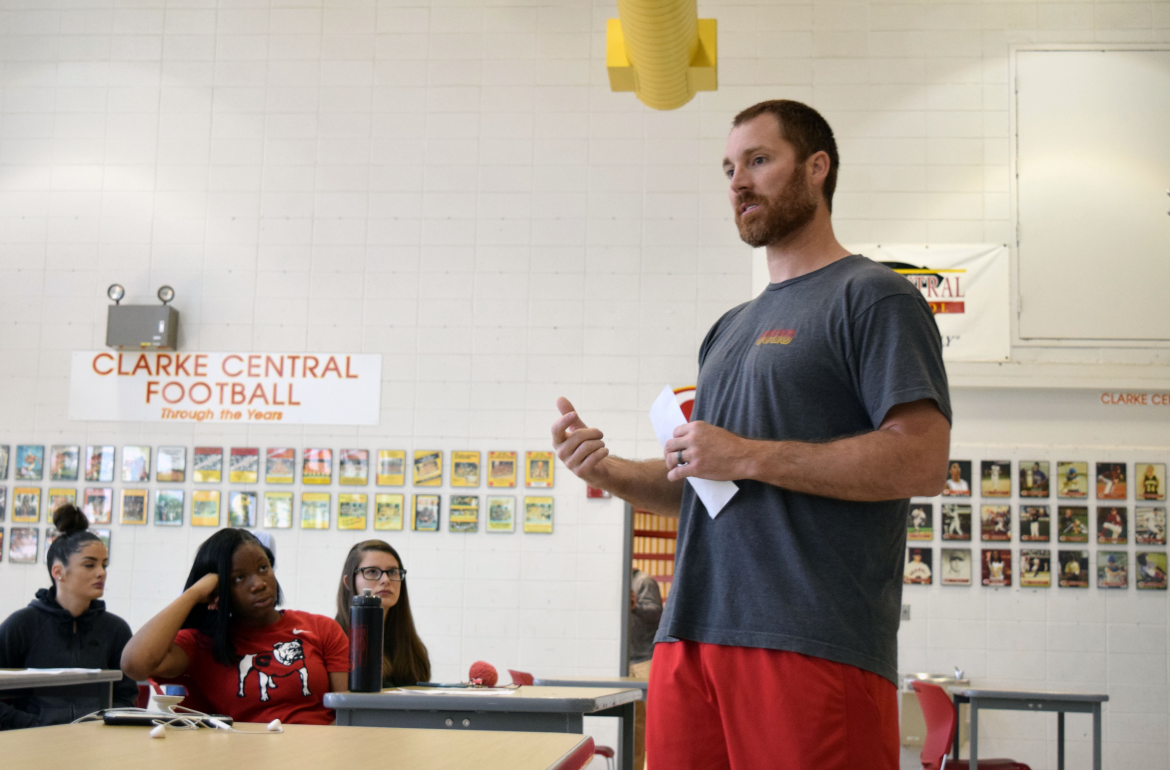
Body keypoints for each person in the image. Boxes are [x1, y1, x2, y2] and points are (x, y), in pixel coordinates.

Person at [551, 100, 951, 770]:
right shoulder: (728, 329)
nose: (738, 182)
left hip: (809, 640)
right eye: (729, 168)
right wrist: (608, 470)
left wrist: (747, 455)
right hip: (688, 638)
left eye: (759, 160)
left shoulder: (874, 296)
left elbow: (922, 460)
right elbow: (707, 489)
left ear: (817, 168)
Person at [120, 529, 349, 725]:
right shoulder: (202, 644)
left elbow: (348, 711)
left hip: (320, 749)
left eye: (263, 567)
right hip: (244, 752)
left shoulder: (321, 628)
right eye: (239, 578)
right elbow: (134, 665)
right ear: (217, 590)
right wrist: (194, 594)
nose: (259, 584)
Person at [0, 505, 137, 729]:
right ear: (58, 572)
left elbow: (126, 696)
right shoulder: (21, 625)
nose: (101, 572)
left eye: (104, 564)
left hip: (96, 742)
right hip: (31, 741)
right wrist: (35, 726)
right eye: (89, 564)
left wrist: (100, 727)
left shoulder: (116, 630)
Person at [334, 540, 430, 687]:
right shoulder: (335, 641)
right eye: (372, 571)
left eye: (392, 572)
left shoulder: (412, 647)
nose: (386, 580)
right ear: (348, 582)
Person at [628, 568, 663, 770]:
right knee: (634, 725)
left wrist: (636, 607)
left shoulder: (644, 582)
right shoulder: (616, 582)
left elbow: (658, 614)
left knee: (655, 722)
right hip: (626, 661)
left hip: (645, 660)